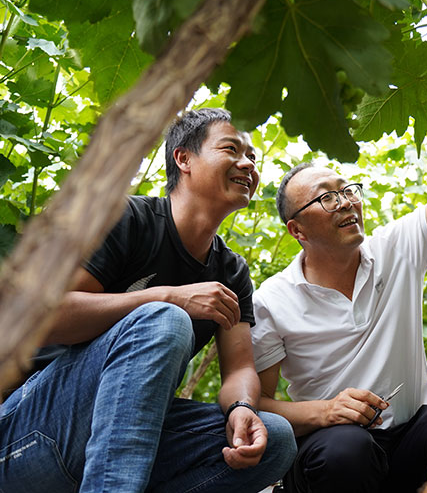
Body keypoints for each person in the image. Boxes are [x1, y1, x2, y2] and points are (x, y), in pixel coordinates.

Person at [0, 108, 296, 493]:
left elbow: (239, 369)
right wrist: (169, 297)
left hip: (116, 442)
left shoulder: (232, 272)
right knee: (164, 318)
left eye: (253, 157)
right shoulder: (125, 218)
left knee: (275, 437)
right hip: (26, 434)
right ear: (183, 158)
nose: (247, 164)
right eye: (231, 149)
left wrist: (242, 408)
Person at [250, 83, 427, 492]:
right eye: (326, 198)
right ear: (297, 230)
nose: (347, 201)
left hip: (407, 444)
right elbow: (258, 404)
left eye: (348, 190)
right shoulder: (272, 300)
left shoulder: (396, 249)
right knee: (347, 449)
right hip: (331, 451)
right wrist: (327, 411)